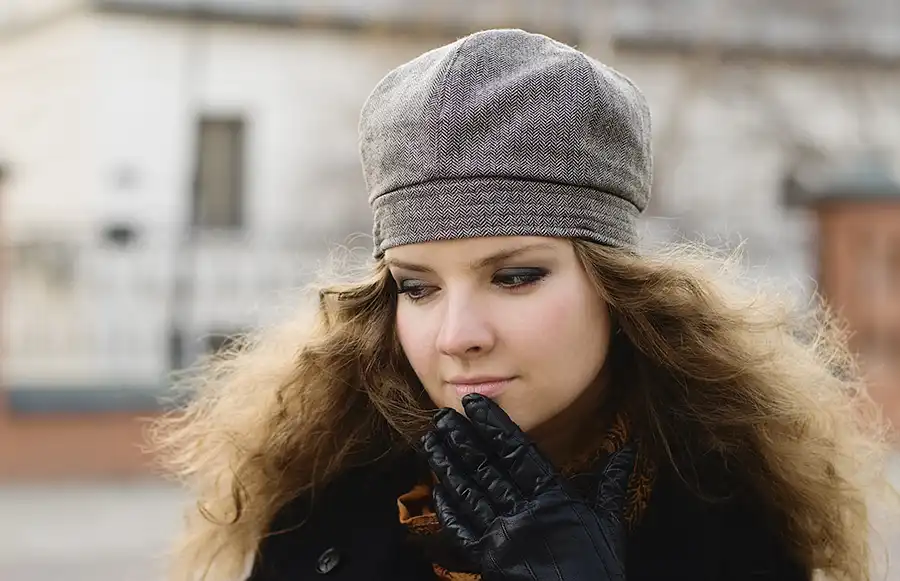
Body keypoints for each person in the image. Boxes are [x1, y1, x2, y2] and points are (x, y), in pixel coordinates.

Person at [150, 29, 895, 581]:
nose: (456, 336)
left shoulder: (724, 508)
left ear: (615, 287)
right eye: (417, 287)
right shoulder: (327, 497)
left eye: (515, 277)